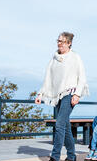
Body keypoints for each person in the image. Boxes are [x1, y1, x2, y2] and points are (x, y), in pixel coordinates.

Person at [35, 32, 89, 161]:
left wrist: (77, 94)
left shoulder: (75, 57)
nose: (59, 43)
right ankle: (71, 156)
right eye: (58, 41)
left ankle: (55, 156)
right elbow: (48, 78)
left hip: (70, 93)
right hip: (58, 95)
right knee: (65, 126)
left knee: (59, 124)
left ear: (69, 43)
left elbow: (82, 78)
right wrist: (40, 93)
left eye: (62, 41)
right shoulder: (54, 59)